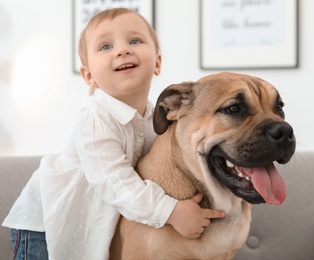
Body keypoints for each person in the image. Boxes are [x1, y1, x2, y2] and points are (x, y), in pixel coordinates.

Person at [2, 8, 224, 260]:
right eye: (106, 46)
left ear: (158, 62)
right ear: (89, 75)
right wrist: (170, 211)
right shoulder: (95, 119)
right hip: (45, 223)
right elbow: (115, 182)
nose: (122, 50)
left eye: (135, 41)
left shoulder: (156, 117)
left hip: (94, 222)